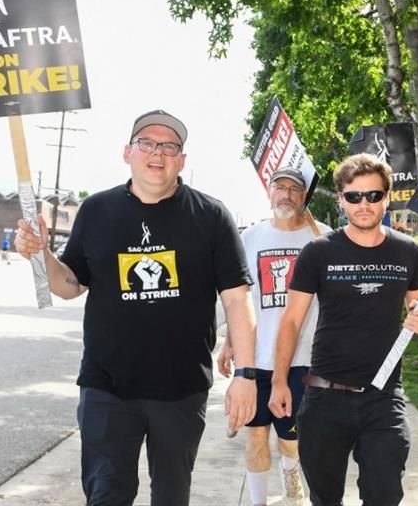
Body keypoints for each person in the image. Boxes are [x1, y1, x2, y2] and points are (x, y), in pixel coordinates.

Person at [14, 109, 257, 506]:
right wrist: (38, 255)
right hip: (107, 386)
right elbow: (69, 285)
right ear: (127, 152)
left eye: (169, 146)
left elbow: (237, 299)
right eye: (147, 143)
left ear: (182, 159)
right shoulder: (96, 211)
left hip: (181, 389)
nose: (157, 153)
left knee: (171, 496)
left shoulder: (211, 216)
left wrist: (246, 375)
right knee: (106, 495)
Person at [269, 153, 418, 506]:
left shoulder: (409, 252)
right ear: (341, 199)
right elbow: (292, 321)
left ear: (387, 198)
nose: (364, 204)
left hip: (383, 397)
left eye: (374, 195)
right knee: (325, 499)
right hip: (325, 396)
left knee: (384, 494)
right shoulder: (318, 252)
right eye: (354, 196)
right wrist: (279, 382)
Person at [217, 167, 332, 506]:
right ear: (269, 192)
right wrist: (229, 342)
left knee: (291, 437)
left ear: (303, 196)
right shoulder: (250, 238)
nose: (285, 194)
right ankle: (258, 502)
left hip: (304, 357)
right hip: (257, 356)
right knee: (255, 434)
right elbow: (241, 297)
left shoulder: (322, 237)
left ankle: (291, 473)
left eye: (294, 189)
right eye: (279, 187)